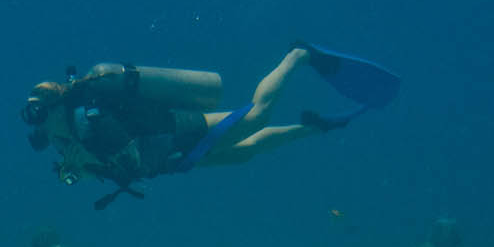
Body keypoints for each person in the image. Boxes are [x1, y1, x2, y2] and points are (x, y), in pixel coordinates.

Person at [21, 45, 398, 208]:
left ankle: (297, 56)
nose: (36, 119)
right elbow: (109, 169)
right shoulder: (60, 136)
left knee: (254, 117)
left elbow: (129, 155)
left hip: (175, 133)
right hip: (171, 158)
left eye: (39, 109)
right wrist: (77, 169)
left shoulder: (89, 122)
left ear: (57, 105)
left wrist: (84, 160)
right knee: (244, 154)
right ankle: (315, 127)